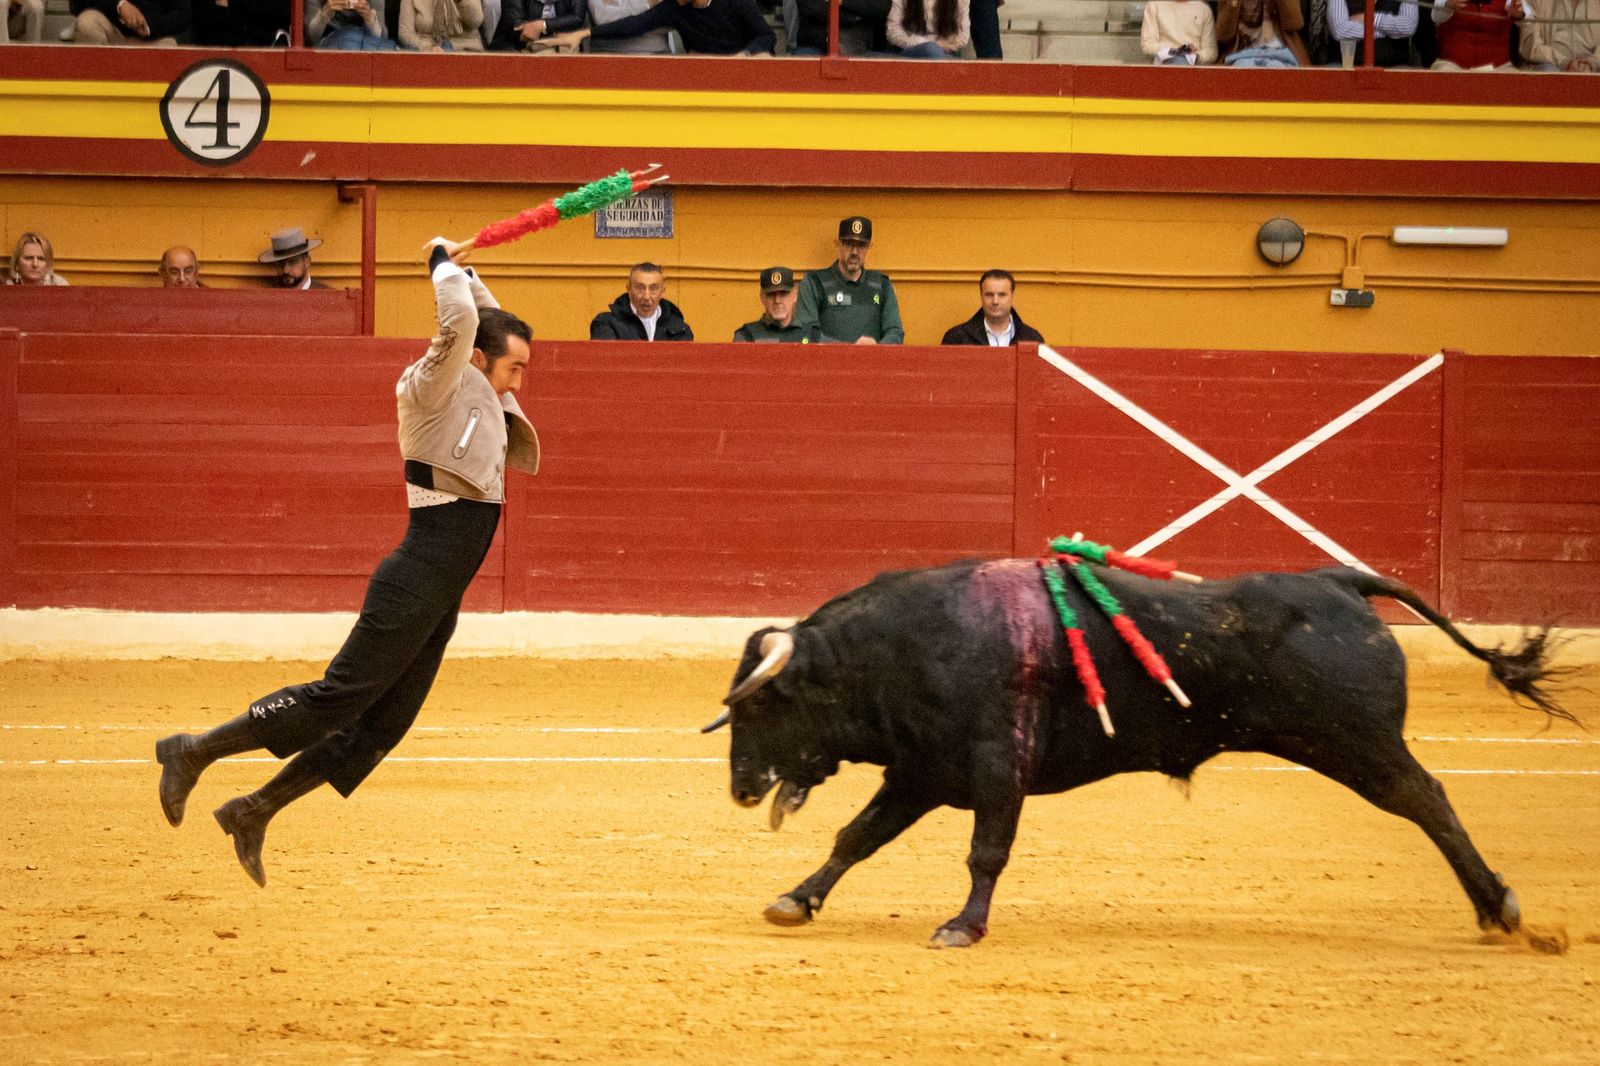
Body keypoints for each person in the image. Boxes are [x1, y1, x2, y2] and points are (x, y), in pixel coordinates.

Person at [155, 236, 540, 888]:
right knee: (335, 700)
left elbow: (484, 318)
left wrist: (463, 270)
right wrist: (443, 265)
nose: (520, 383)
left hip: (439, 594)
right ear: (476, 362)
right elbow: (466, 323)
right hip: (416, 578)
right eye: (514, 370)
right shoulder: (435, 389)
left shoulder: (484, 386)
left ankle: (255, 809)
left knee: (382, 726)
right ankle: (192, 753)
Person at [794, 216, 904, 346]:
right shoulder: (814, 283)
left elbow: (895, 332)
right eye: (849, 244)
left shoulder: (882, 285)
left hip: (872, 364)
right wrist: (849, 351)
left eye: (861, 245)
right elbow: (806, 333)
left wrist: (876, 349)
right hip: (827, 364)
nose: (855, 252)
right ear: (837, 243)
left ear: (870, 246)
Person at [547, 0, 775, 53]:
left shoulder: (736, 2)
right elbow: (634, 25)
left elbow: (767, 36)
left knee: (764, 57)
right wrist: (585, 33)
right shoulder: (674, 7)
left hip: (743, 62)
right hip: (706, 66)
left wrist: (744, 56)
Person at [590, 262, 694, 341]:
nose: (646, 296)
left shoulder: (681, 330)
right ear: (629, 289)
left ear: (662, 292)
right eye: (640, 288)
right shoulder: (606, 324)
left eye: (653, 288)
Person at [940, 269, 1045, 347]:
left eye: (1002, 295)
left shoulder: (1032, 339)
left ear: (1013, 295)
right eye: (989, 295)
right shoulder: (956, 338)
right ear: (981, 295)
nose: (995, 301)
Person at [733, 266, 830, 343]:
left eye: (783, 294)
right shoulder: (747, 336)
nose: (777, 300)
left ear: (795, 295)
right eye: (771, 295)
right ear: (762, 297)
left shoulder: (813, 336)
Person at [1429, 0, 1524, 69]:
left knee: (1518, 89)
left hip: (1499, 67)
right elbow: (1435, 17)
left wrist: (1519, 15)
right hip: (1452, 66)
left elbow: (1528, 17)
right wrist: (1448, 4)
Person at [1215, 0, 1311, 65]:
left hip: (1281, 54)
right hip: (1241, 56)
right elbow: (1223, 36)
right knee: (1246, 71)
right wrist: (1233, 4)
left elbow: (1294, 25)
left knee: (1278, 73)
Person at [1327, 0, 1418, 66]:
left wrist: (1371, 18)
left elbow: (1408, 26)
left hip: (1395, 65)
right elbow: (1340, 30)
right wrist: (1388, 31)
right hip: (1345, 65)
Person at [1519, 0, 1599, 70]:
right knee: (1546, 70)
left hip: (1593, 68)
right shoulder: (1536, 2)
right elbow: (1530, 47)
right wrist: (1564, 62)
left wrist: (1592, 63)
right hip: (1553, 66)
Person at [71, 0, 190, 44]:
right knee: (87, 23)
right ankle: (94, 89)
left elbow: (183, 14)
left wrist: (149, 27)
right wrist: (119, 5)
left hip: (152, 39)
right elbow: (78, 3)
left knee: (169, 45)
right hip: (112, 31)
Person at [793, 0, 889, 53]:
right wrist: (854, 17)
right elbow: (811, 9)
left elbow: (881, 7)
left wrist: (843, 1)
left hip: (858, 41)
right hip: (817, 39)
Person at [1140, 0, 1219, 63]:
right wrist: (1175, 51)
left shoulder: (1203, 10)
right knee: (1179, 61)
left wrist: (1196, 55)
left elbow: (1211, 52)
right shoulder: (1154, 5)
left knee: (1182, 62)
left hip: (1194, 67)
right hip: (1164, 64)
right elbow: (1148, 46)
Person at [489, 0, 586, 50]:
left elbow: (577, 17)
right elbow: (515, 23)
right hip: (514, 43)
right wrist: (535, 29)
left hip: (559, 41)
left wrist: (543, 25)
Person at [885, 0, 969, 58]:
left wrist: (936, 46)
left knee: (934, 52)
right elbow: (893, 31)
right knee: (931, 50)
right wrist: (926, 43)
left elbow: (962, 37)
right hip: (909, 50)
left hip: (946, 55)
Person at [259, 228, 330, 290]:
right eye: (280, 263)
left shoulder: (327, 295)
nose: (285, 270)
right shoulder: (269, 296)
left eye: (292, 262)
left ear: (307, 262)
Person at [306, 0, 398, 48]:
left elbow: (382, 37)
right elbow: (310, 37)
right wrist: (325, 13)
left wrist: (370, 18)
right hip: (328, 45)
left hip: (365, 45)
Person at [398, 0, 485, 48]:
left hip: (465, 49)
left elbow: (475, 22)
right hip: (427, 52)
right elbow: (405, 33)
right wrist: (427, 48)